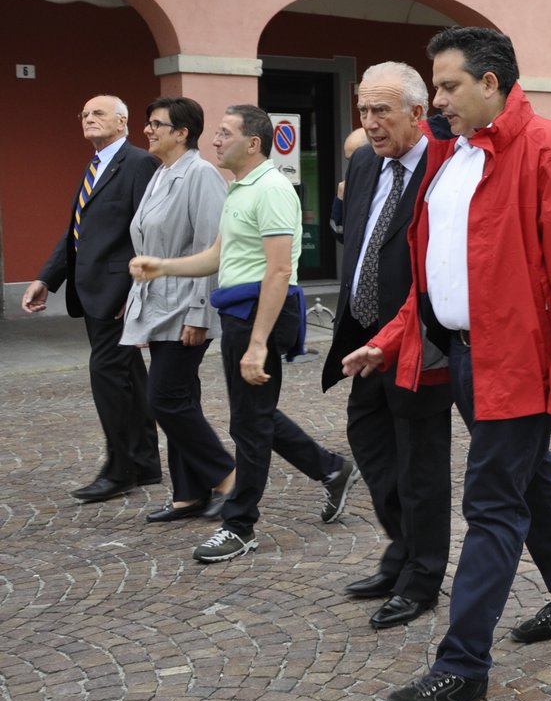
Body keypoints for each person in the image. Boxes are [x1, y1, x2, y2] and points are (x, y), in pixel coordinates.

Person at [342, 26, 551, 701]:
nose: (438, 100)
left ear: (490, 83)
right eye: (435, 88)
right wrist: (394, 337)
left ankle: (461, 664)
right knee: (533, 483)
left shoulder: (550, 150)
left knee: (492, 503)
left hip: (518, 363)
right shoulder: (451, 156)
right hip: (459, 356)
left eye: (449, 86)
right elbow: (437, 275)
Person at [131, 104, 354, 563]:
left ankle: (239, 525)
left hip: (258, 314)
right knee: (256, 415)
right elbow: (217, 255)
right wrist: (164, 267)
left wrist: (257, 344)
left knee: (249, 424)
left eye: (225, 133)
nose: (214, 140)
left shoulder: (271, 189)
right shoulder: (241, 188)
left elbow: (277, 272)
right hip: (239, 313)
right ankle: (331, 469)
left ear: (253, 143)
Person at [319, 63, 453, 630]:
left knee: (420, 467)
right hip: (366, 340)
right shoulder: (363, 162)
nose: (369, 123)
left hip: (421, 341)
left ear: (418, 115)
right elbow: (357, 241)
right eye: (363, 110)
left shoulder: (444, 167)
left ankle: (422, 577)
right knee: (372, 450)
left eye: (382, 112)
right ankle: (400, 551)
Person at [22, 95, 161, 503]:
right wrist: (46, 278)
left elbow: (148, 231)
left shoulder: (138, 163)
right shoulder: (95, 166)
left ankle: (120, 471)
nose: (88, 119)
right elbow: (77, 234)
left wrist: (136, 291)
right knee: (129, 378)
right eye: (83, 114)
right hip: (93, 292)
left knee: (108, 376)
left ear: (123, 122)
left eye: (98, 113)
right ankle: (146, 463)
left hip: (118, 294)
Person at [121, 97, 234, 522]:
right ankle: (189, 493)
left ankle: (229, 477)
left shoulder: (201, 175)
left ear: (182, 132)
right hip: (157, 306)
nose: (147, 130)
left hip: (186, 306)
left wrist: (200, 314)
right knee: (182, 397)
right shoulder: (161, 173)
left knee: (164, 399)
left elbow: (211, 248)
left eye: (156, 124)